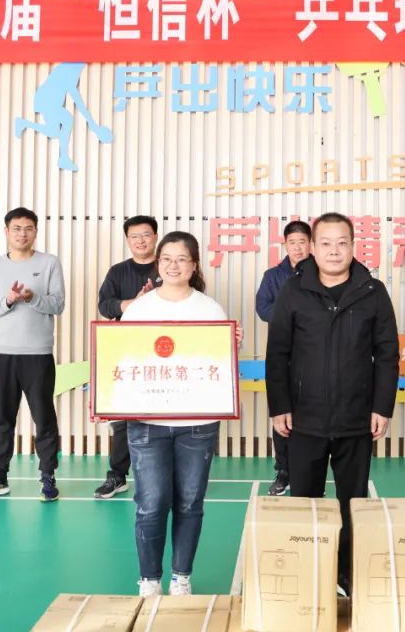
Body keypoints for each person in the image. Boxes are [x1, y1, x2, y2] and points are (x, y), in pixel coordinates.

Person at [265, 212, 399, 595]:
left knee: (352, 504)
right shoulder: (293, 291)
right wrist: (279, 405)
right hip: (303, 419)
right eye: (325, 243)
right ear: (312, 247)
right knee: (304, 501)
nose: (334, 251)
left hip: (356, 419)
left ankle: (345, 574)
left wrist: (382, 407)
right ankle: (308, 573)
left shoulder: (373, 291)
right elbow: (278, 352)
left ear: (354, 246)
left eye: (342, 243)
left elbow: (387, 353)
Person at [124, 231, 240, 598]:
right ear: (158, 264)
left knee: (190, 502)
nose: (173, 266)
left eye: (181, 259)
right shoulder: (139, 310)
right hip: (147, 424)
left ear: (194, 265)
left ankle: (181, 577)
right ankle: (149, 579)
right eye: (166, 259)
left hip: (197, 424)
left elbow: (218, 366)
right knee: (151, 503)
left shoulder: (210, 310)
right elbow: (122, 360)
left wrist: (231, 346)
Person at [0, 207, 65, 503]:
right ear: (6, 231)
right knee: (2, 419)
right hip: (2, 354)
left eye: (28, 228)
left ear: (36, 231)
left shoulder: (49, 263)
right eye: (17, 228)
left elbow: (58, 304)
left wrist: (32, 297)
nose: (22, 233)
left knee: (44, 418)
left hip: (38, 354)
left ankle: (48, 476)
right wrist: (8, 300)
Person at [92, 215, 160, 499]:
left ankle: (162, 476)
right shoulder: (118, 271)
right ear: (128, 240)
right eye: (135, 236)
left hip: (165, 352)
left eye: (146, 235)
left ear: (155, 237)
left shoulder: (169, 265)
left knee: (163, 413)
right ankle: (117, 475)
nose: (141, 240)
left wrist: (154, 300)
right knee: (123, 416)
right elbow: (105, 306)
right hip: (127, 351)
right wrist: (135, 303)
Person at [255, 220, 312, 496]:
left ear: (311, 244)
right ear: (285, 245)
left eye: (303, 242)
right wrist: (289, 316)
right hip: (282, 354)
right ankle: (284, 471)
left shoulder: (322, 272)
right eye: (293, 243)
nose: (298, 248)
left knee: (311, 414)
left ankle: (308, 472)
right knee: (281, 412)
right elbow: (262, 307)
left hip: (314, 355)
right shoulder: (273, 276)